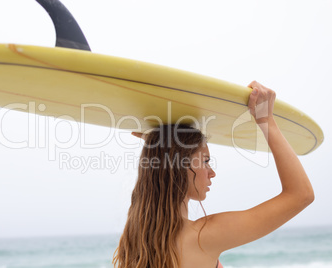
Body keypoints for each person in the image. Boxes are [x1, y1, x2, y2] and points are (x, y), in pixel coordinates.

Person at [112, 81, 314, 268]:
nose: (212, 173)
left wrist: (159, 146)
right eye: (206, 161)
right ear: (179, 166)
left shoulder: (135, 242)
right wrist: (266, 120)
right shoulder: (203, 238)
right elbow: (301, 194)